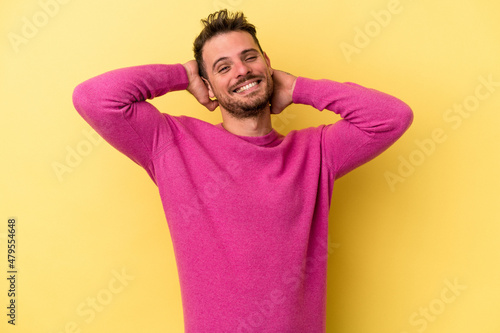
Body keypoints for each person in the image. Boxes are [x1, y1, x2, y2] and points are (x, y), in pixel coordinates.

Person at [72, 9, 413, 333]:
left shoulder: (316, 152)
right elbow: (94, 98)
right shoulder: (172, 144)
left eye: (249, 57)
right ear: (208, 86)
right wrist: (182, 75)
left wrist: (298, 88)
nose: (241, 71)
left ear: (267, 64)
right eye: (223, 67)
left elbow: (392, 118)